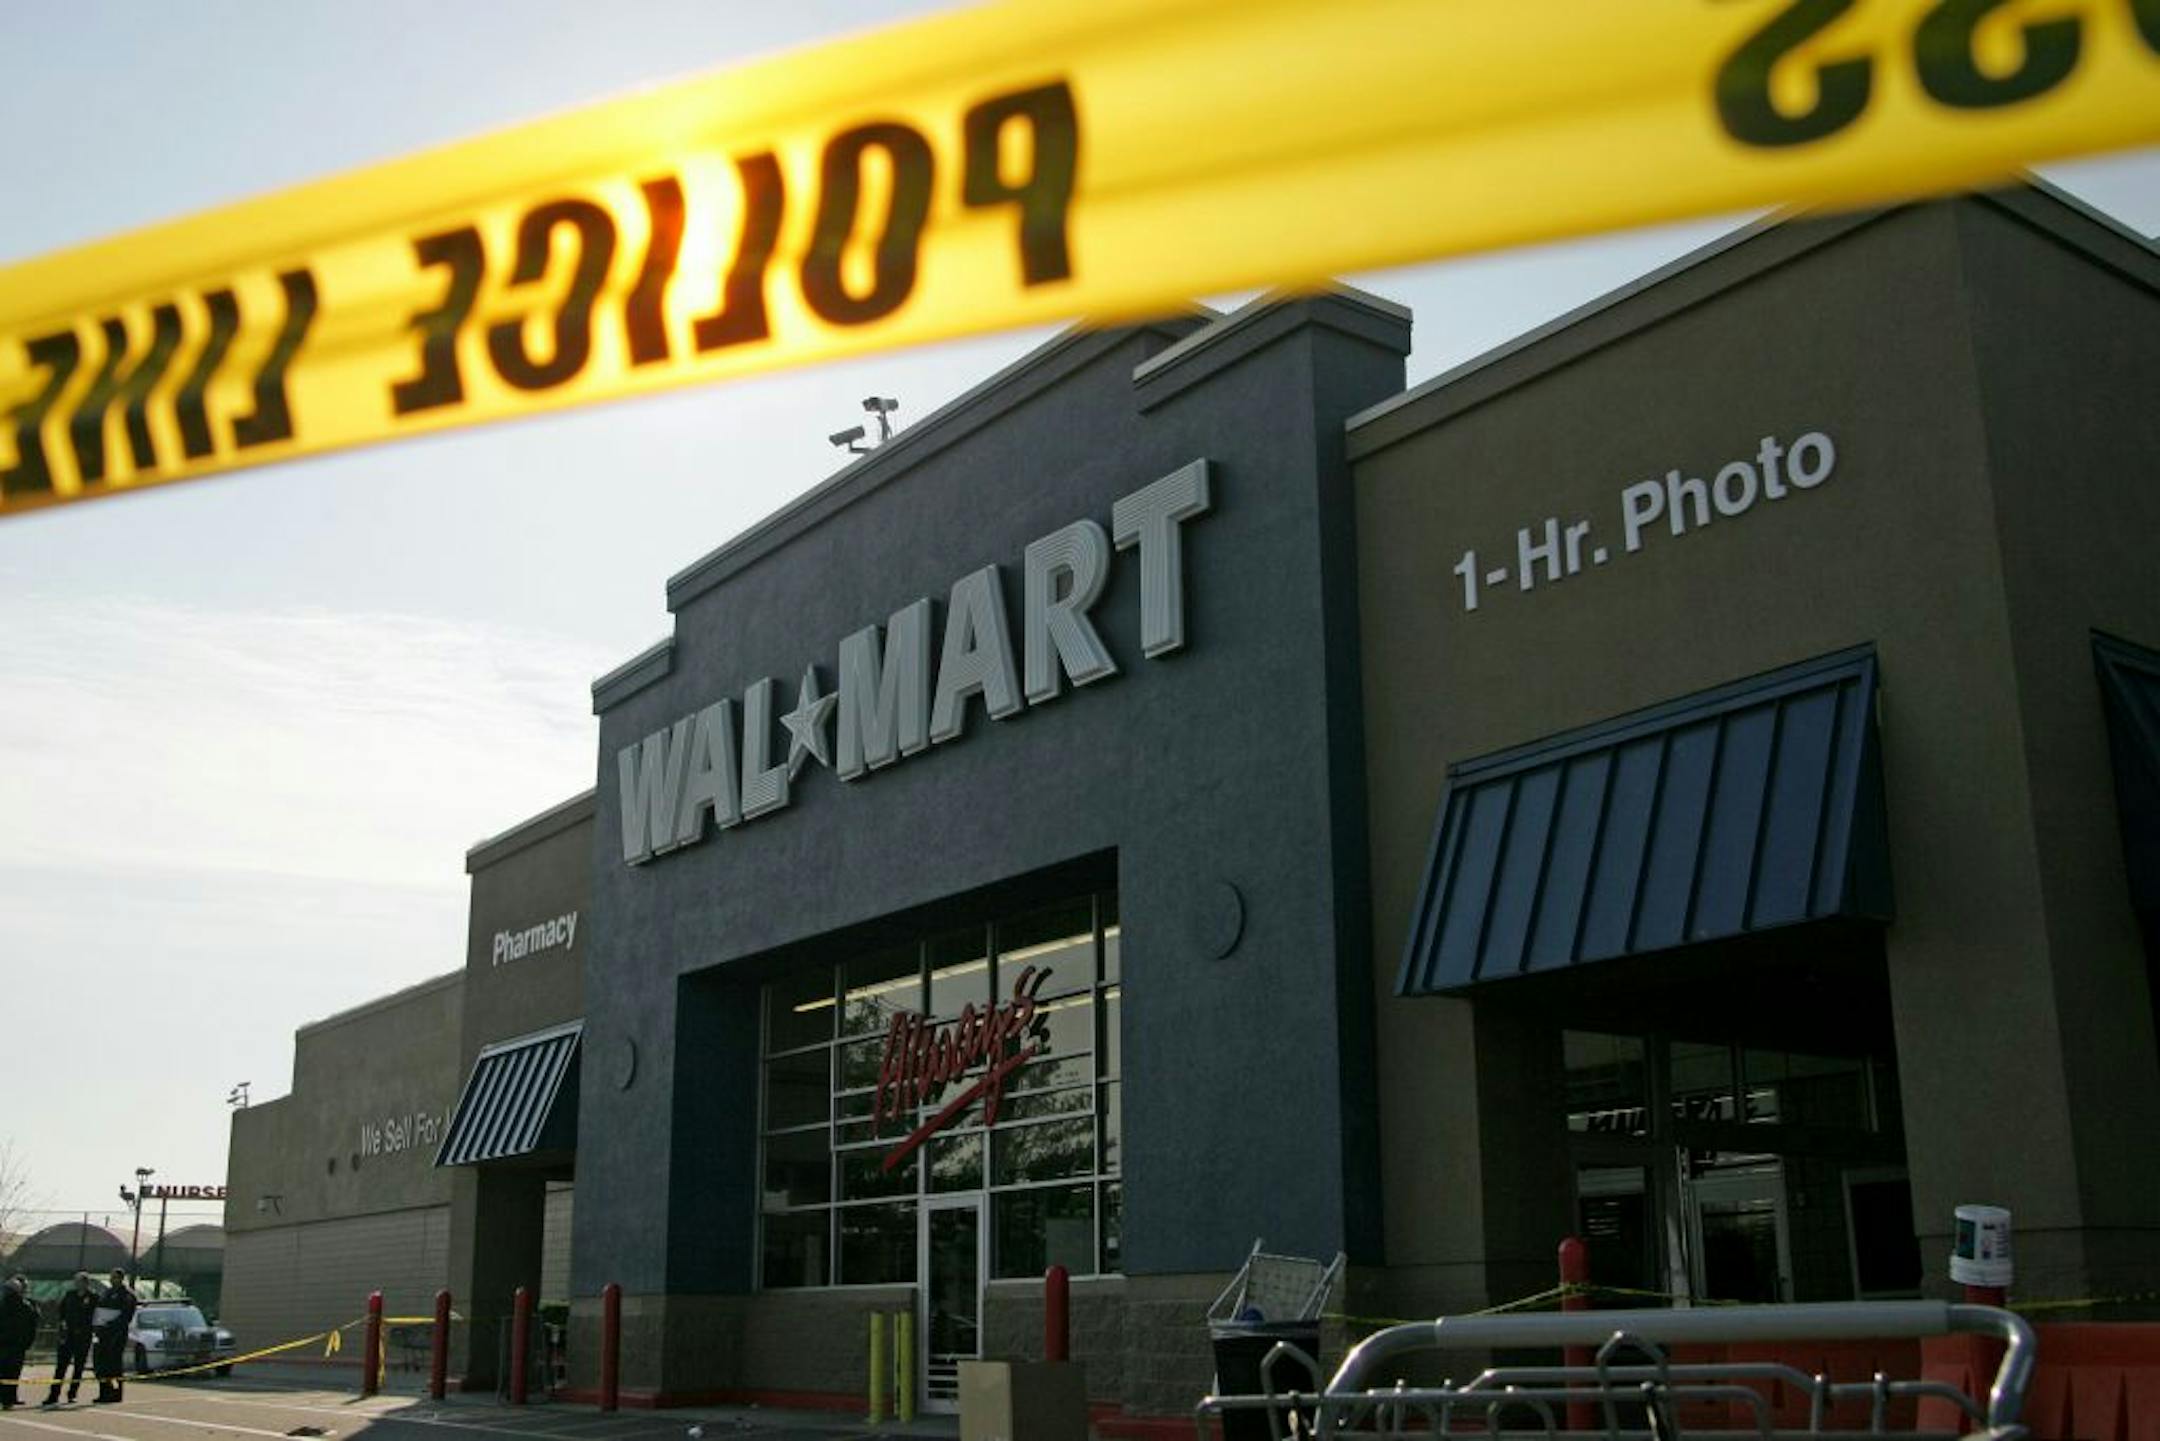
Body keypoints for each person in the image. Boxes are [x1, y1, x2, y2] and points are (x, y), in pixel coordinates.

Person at [43, 1272, 98, 1406]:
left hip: (83, 1336)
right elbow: (61, 1311)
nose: (77, 1284)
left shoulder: (94, 1297)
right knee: (61, 1366)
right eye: (76, 1281)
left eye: (79, 1281)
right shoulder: (70, 1295)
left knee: (78, 1367)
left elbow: (96, 1316)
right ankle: (53, 1395)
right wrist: (63, 1323)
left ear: (86, 1283)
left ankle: (72, 1394)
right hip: (68, 1336)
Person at [90, 1269, 136, 1404]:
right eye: (111, 1277)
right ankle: (104, 1392)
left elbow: (126, 1316)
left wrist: (111, 1324)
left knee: (114, 1364)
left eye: (115, 1277)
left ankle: (116, 1393)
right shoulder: (107, 1293)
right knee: (101, 1364)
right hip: (103, 1333)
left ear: (121, 1279)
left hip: (117, 1334)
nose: (112, 1280)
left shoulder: (127, 1295)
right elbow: (99, 1309)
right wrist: (98, 1324)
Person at [0, 1272, 38, 1410]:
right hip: (18, 1346)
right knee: (13, 1373)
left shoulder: (3, 1305)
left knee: (4, 1372)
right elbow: (33, 1326)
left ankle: (7, 1398)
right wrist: (27, 1343)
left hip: (4, 1344)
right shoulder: (26, 1306)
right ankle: (9, 1399)